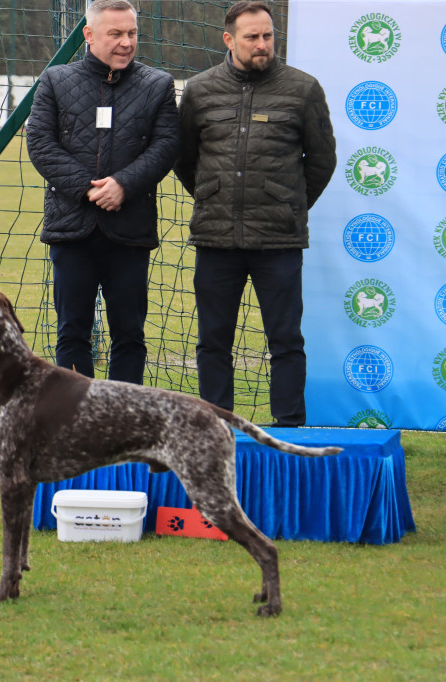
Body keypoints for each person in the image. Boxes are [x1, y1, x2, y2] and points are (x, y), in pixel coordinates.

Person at [174, 1, 336, 427]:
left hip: (278, 242)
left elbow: (322, 162)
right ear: (229, 40)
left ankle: (289, 426)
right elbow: (184, 159)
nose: (262, 44)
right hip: (215, 240)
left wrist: (287, 203)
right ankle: (217, 427)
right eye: (252, 37)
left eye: (268, 36)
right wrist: (214, 197)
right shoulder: (199, 90)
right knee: (213, 342)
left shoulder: (304, 89)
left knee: (285, 340)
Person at [26, 0, 180, 385]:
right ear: (89, 35)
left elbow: (165, 146)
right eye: (116, 34)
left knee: (129, 334)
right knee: (72, 332)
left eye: (131, 33)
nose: (126, 42)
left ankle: (124, 422)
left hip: (130, 230)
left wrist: (123, 185)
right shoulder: (56, 80)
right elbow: (40, 143)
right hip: (71, 229)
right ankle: (75, 422)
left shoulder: (158, 85)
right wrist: (87, 189)